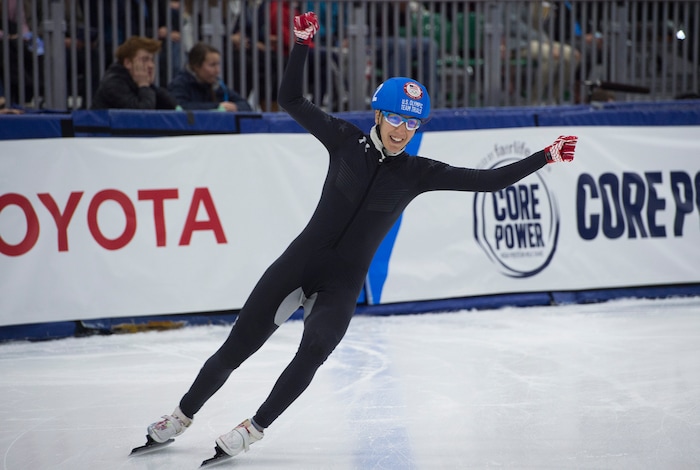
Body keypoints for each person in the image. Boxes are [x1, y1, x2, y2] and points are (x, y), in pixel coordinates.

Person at [141, 11, 577, 462]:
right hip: (298, 264)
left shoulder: (419, 173)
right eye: (397, 119)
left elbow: (488, 180)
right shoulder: (344, 140)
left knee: (314, 352)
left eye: (414, 124)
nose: (404, 131)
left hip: (342, 285)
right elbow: (289, 97)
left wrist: (545, 156)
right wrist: (302, 43)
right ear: (378, 113)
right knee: (236, 348)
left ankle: (254, 428)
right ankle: (180, 416)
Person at [91, 35, 177, 110]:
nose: (151, 65)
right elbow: (140, 115)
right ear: (128, 63)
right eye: (145, 60)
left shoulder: (138, 83)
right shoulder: (113, 84)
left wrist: (150, 86)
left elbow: (175, 109)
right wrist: (144, 85)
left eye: (152, 60)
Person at [167, 42, 252, 112]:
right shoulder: (180, 84)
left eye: (218, 64)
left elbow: (245, 105)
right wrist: (217, 107)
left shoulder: (217, 85)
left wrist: (234, 107)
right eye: (212, 65)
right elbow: (179, 107)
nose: (217, 70)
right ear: (196, 66)